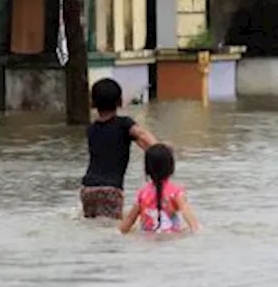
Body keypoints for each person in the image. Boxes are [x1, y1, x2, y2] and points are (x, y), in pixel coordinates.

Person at [80, 78, 160, 219]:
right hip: (111, 189)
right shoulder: (124, 125)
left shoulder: (91, 129)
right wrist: (161, 149)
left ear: (92, 102)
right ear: (120, 101)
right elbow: (142, 135)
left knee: (92, 226)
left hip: (88, 188)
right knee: (112, 229)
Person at [119, 144, 201, 234]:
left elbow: (128, 222)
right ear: (171, 168)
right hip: (170, 238)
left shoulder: (142, 193)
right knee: (183, 229)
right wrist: (196, 229)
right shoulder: (176, 192)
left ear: (147, 169)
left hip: (147, 238)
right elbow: (189, 216)